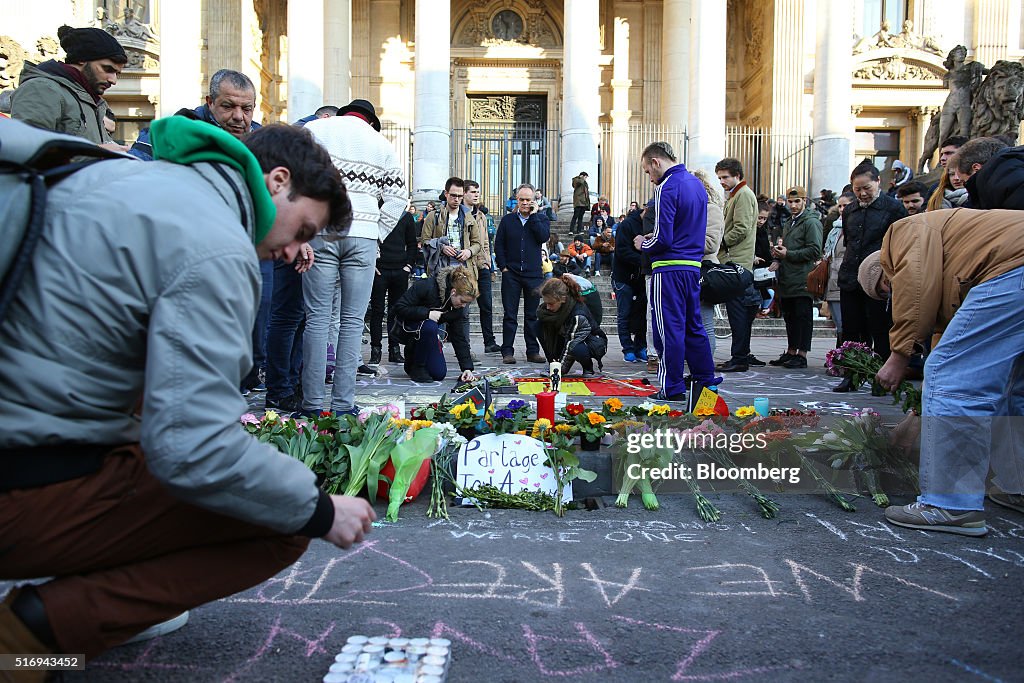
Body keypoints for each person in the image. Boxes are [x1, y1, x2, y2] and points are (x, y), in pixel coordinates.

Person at [0, 119, 373, 663]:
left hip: (26, 438)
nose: (296, 251)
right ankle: (29, 642)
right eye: (303, 230)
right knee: (277, 520)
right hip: (22, 485)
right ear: (277, 181)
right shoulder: (215, 245)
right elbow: (194, 449)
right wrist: (319, 509)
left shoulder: (130, 178)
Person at [874, 209, 1024, 536]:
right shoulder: (955, 254)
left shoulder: (902, 233)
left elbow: (914, 286)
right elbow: (949, 331)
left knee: (953, 380)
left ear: (885, 270)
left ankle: (951, 504)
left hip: (1013, 270)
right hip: (1014, 269)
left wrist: (899, 354)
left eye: (886, 290)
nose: (892, 296)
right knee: (1013, 387)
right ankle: (1018, 486)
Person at [301, 99, 408, 413]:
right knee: (351, 322)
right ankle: (343, 404)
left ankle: (311, 403)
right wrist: (377, 232)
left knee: (317, 319)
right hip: (362, 236)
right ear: (371, 122)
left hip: (322, 231)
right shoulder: (380, 143)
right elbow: (398, 197)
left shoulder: (315, 130)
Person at [637, 142, 721, 402]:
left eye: (648, 171)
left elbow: (663, 239)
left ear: (656, 162)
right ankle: (706, 383)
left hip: (668, 268)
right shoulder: (696, 185)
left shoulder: (667, 186)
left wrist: (643, 243)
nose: (650, 178)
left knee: (667, 329)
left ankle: (671, 387)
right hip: (692, 265)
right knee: (694, 326)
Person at [833, 161, 907, 392]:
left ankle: (880, 378)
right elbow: (849, 242)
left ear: (878, 182)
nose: (863, 193)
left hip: (878, 279)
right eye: (858, 189)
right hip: (850, 276)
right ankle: (852, 375)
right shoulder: (850, 210)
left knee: (879, 328)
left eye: (867, 188)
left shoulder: (893, 208)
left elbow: (901, 244)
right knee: (851, 328)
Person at [11, 24, 128, 149]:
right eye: (107, 69)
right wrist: (99, 152)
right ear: (82, 59)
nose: (113, 80)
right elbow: (26, 150)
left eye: (117, 73)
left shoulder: (92, 101)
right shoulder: (41, 88)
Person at [715, 158, 763, 373]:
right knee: (738, 313)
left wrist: (720, 243)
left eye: (725, 177)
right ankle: (739, 356)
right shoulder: (737, 195)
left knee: (738, 314)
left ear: (737, 175)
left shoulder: (743, 194)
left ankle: (740, 358)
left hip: (737, 262)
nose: (722, 181)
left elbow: (741, 228)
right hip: (736, 261)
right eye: (719, 178)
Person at [494, 183, 550, 365]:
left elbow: (543, 237)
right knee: (510, 315)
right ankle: (507, 351)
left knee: (532, 315)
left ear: (534, 200)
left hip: (533, 275)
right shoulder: (507, 220)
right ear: (516, 200)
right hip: (511, 273)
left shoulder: (541, 219)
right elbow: (499, 244)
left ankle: (532, 351)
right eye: (522, 199)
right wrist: (503, 267)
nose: (525, 203)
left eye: (528, 200)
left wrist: (534, 216)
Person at [392, 266, 478, 383]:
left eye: (466, 303)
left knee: (438, 374)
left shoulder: (456, 307)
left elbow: (458, 336)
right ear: (453, 292)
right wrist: (427, 313)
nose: (463, 305)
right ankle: (417, 365)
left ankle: (415, 361)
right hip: (410, 329)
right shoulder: (427, 286)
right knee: (430, 326)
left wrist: (467, 368)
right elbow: (399, 307)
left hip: (429, 335)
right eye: (462, 301)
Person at [771, 187, 823, 369]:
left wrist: (788, 254)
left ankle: (802, 355)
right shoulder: (790, 222)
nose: (793, 205)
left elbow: (815, 250)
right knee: (790, 316)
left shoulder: (811, 222)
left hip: (802, 278)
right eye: (790, 202)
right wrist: (778, 255)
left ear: (804, 201)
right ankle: (791, 351)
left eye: (797, 201)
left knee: (802, 316)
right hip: (788, 277)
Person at [368, 202, 417, 365]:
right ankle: (375, 350)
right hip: (379, 270)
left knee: (396, 312)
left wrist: (408, 266)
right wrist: (372, 264)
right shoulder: (375, 214)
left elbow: (412, 244)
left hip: (400, 270)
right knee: (377, 311)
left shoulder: (406, 217)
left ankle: (394, 349)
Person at [538, 276, 608, 378]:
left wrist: (558, 371)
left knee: (576, 348)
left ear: (562, 299)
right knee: (539, 325)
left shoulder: (578, 314)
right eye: (546, 303)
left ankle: (588, 368)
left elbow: (571, 344)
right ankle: (553, 362)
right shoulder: (553, 308)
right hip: (569, 336)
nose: (547, 307)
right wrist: (554, 364)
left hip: (592, 341)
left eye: (551, 304)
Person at [463, 179, 501, 354]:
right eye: (472, 192)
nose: (476, 195)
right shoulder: (460, 214)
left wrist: (487, 263)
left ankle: (489, 342)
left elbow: (486, 242)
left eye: (477, 192)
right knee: (463, 306)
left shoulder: (482, 216)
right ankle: (462, 343)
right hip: (465, 265)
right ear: (464, 193)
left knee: (486, 305)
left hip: (482, 265)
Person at [693, 168, 725, 359]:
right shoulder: (689, 209)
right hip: (688, 271)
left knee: (704, 322)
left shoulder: (711, 209)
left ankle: (705, 362)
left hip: (704, 272)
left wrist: (679, 240)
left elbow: (711, 243)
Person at [612, 204, 648, 363]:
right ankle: (627, 348)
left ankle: (640, 346)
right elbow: (622, 251)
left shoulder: (651, 224)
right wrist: (644, 259)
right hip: (624, 276)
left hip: (641, 277)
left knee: (642, 313)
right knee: (624, 313)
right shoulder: (626, 225)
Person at [823, 192, 854, 345]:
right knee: (839, 324)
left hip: (847, 280)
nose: (842, 209)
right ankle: (840, 352)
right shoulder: (835, 228)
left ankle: (844, 353)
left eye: (845, 205)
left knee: (846, 325)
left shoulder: (854, 226)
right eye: (840, 206)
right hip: (833, 280)